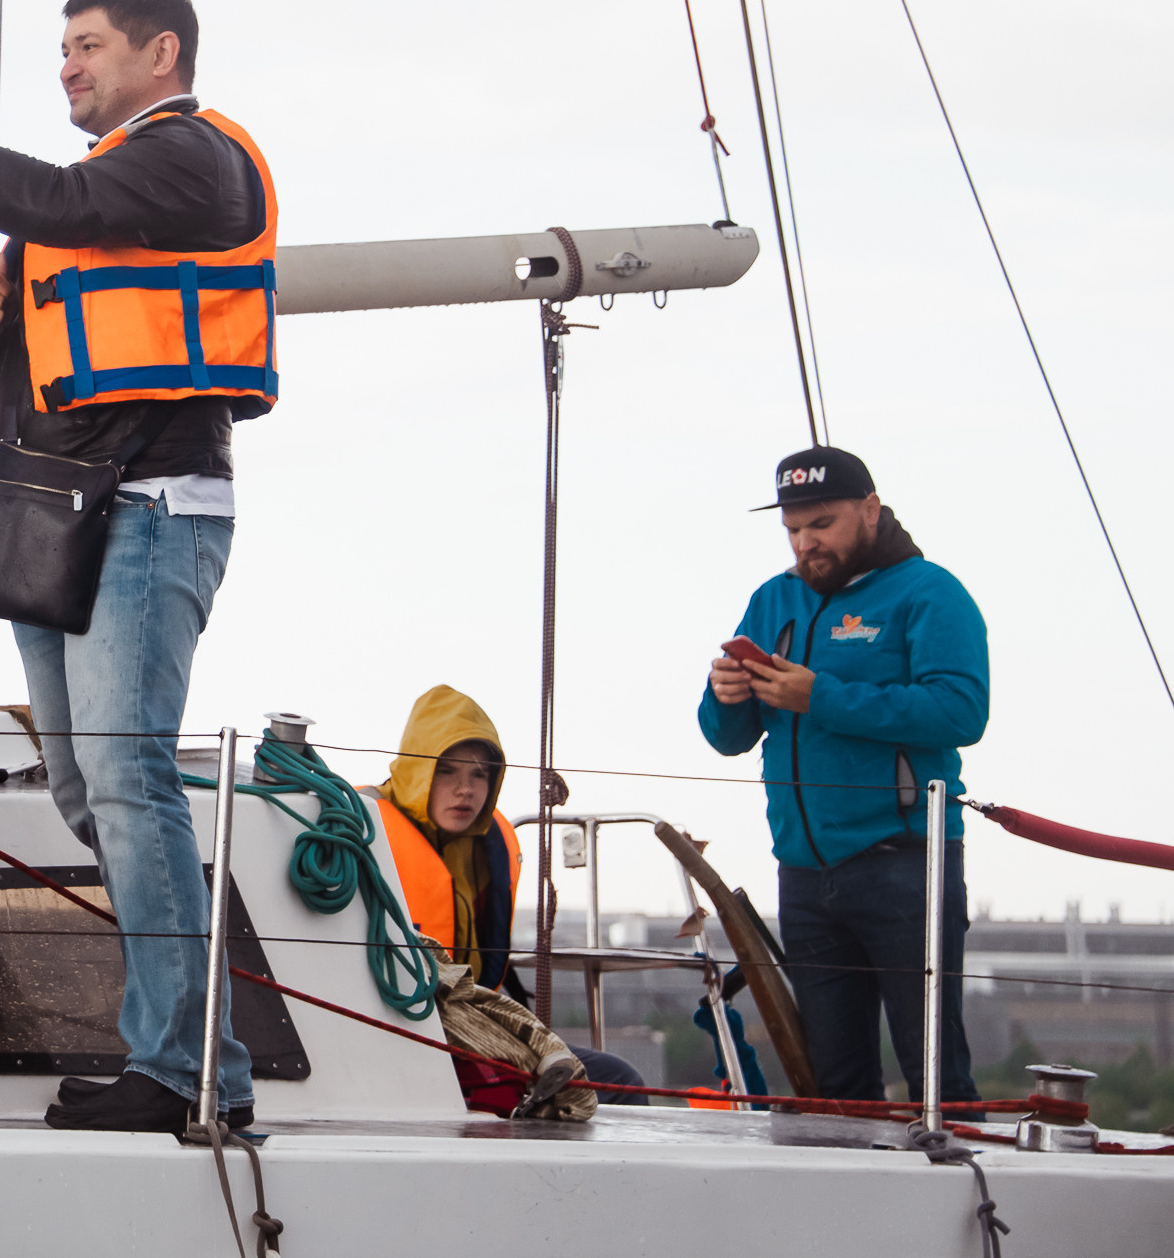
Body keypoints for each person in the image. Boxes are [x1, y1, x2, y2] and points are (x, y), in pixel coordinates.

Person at [0, 0, 269, 1134]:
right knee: (88, 788)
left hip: (149, 503)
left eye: (86, 45)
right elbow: (44, 347)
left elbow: (63, 204)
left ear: (160, 51)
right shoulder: (110, 191)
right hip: (65, 507)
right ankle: (191, 1054)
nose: (65, 65)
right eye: (62, 48)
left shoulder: (188, 156)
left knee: (128, 783)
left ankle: (184, 1072)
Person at [700, 445, 989, 1107]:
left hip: (905, 865)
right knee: (837, 1086)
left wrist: (819, 695)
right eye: (794, 530)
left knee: (937, 1076)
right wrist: (725, 695)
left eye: (822, 524)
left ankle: (964, 1199)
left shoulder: (930, 592)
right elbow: (727, 739)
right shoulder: (772, 600)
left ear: (870, 510)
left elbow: (962, 709)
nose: (806, 543)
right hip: (803, 874)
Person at [368, 685, 647, 1103]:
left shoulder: (487, 844)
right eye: (447, 770)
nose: (466, 789)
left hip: (476, 1026)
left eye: (479, 774)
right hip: (400, 1035)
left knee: (619, 1081)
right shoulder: (362, 835)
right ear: (417, 770)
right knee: (535, 1093)